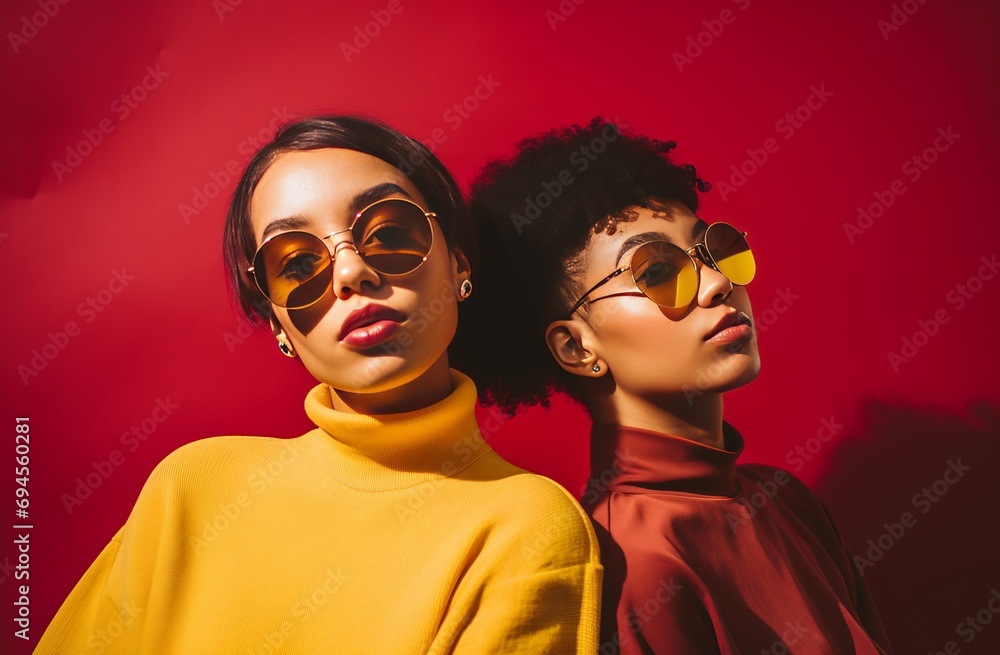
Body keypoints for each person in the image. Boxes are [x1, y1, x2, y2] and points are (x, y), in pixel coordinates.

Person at [35, 115, 602, 654]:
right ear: (280, 325)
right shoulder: (191, 488)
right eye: (298, 265)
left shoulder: (527, 527)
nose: (352, 272)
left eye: (387, 231)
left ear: (457, 265)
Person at [459, 117, 892, 654]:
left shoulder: (790, 505)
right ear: (577, 346)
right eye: (656, 272)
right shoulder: (625, 563)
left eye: (713, 250)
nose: (717, 283)